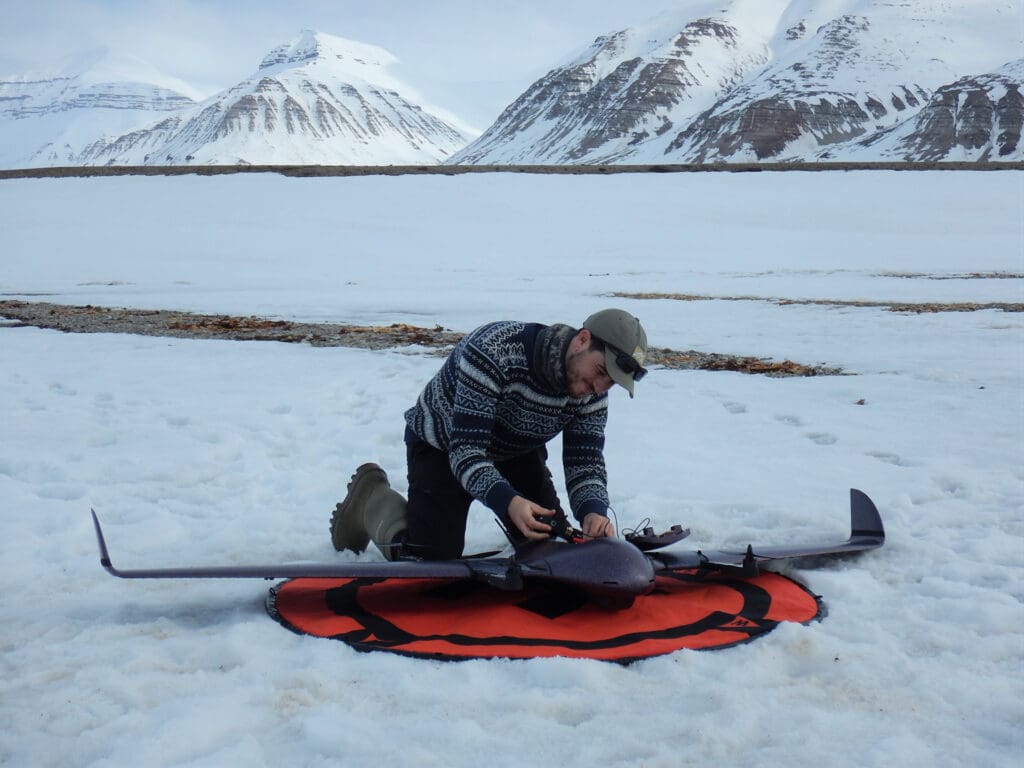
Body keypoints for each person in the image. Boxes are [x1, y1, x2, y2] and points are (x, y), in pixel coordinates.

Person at [330, 308, 648, 560]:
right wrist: (508, 501)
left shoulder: (592, 392)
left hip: (515, 448)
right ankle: (371, 501)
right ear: (582, 340)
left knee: (549, 549)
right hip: (443, 445)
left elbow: (585, 460)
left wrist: (593, 511)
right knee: (431, 562)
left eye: (612, 383)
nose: (599, 387)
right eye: (601, 371)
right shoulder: (495, 351)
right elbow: (466, 452)